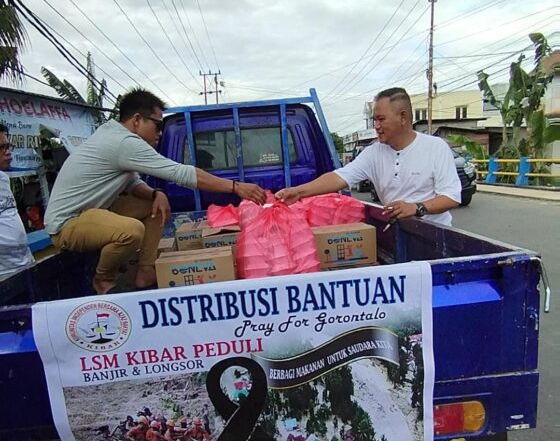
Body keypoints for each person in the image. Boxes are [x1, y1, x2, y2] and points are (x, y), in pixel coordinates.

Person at [43, 88, 266, 294]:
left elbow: (131, 183)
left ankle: (146, 271)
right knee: (131, 231)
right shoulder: (124, 143)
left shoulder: (114, 136)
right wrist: (236, 186)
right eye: (157, 125)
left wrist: (155, 194)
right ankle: (103, 279)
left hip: (94, 213)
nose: (159, 132)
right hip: (68, 223)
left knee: (156, 206)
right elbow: (180, 173)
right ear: (137, 120)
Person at [276, 87, 461, 226]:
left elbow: (451, 196)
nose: (376, 126)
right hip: (398, 232)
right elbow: (339, 177)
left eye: (381, 119)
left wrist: (417, 208)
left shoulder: (435, 147)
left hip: (437, 236)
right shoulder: (373, 153)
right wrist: (298, 192)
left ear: (403, 117)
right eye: (374, 120)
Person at [0, 123, 34, 281]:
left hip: (26, 264)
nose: (7, 152)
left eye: (7, 146)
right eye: (1, 148)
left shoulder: (3, 179)